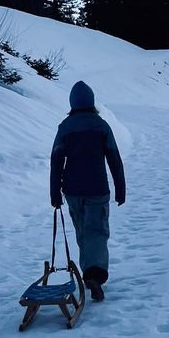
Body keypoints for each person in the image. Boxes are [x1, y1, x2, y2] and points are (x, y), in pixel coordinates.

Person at [50, 81, 125, 302]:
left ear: (72, 103)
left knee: (83, 232)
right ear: (91, 102)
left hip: (72, 190)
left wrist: (54, 193)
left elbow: (55, 161)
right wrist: (120, 188)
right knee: (97, 232)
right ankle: (95, 274)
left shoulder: (65, 127)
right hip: (97, 189)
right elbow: (114, 159)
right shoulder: (101, 126)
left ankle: (89, 272)